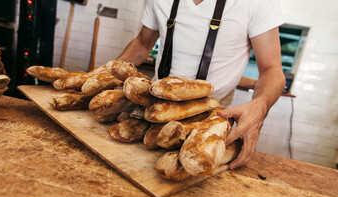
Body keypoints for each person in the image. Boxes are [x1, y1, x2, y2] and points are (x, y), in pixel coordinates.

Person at [117, 0, 286, 169]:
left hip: (208, 128)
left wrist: (260, 107)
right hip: (151, 114)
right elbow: (143, 43)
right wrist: (105, 73)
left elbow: (271, 69)